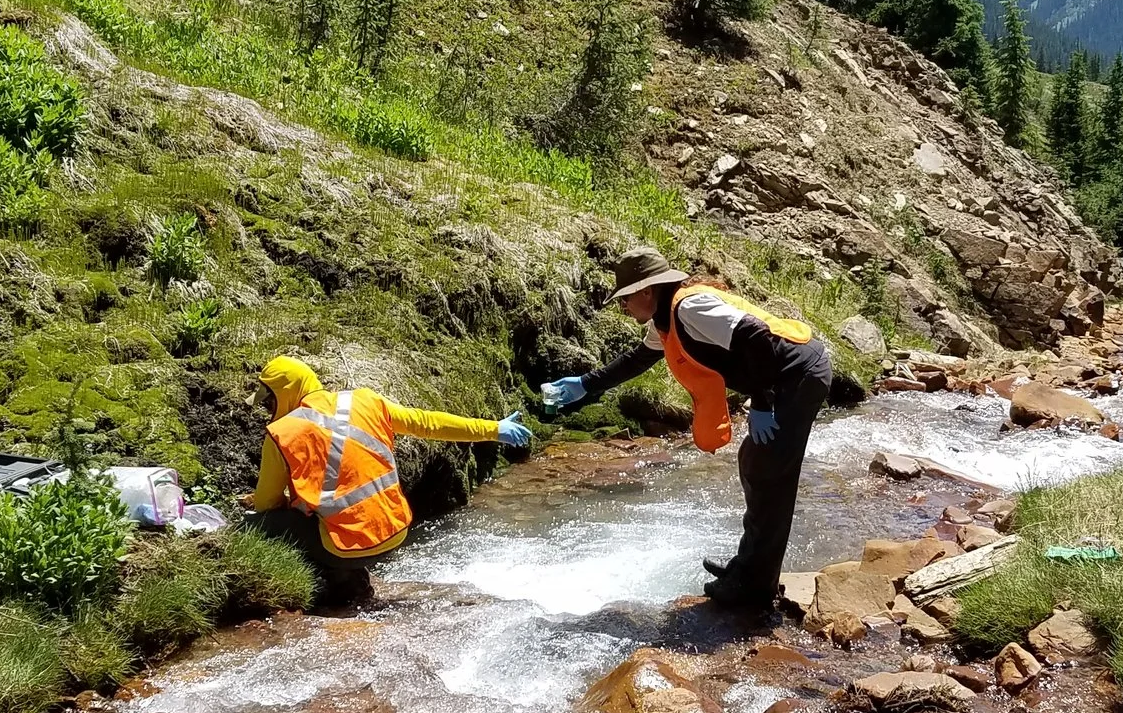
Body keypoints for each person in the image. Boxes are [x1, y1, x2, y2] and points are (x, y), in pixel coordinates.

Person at [540, 247, 833, 611]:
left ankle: (753, 587)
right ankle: (750, 569)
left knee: (769, 472)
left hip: (799, 374)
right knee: (757, 466)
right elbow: (639, 359)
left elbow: (755, 338)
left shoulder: (689, 309)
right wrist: (586, 384)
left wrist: (761, 402)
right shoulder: (665, 320)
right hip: (784, 377)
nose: (623, 308)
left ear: (647, 291)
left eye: (624, 300)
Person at [247, 356, 532, 604]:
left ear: (283, 393)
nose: (267, 409)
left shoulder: (282, 433)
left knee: (258, 524)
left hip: (342, 549)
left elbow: (265, 504)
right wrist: (494, 429)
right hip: (396, 534)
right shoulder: (366, 400)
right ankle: (346, 574)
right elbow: (427, 423)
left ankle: (332, 578)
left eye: (268, 401)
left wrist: (286, 503)